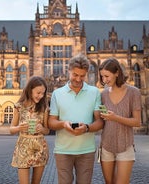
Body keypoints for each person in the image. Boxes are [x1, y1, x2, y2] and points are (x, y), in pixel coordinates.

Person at [48, 54, 104, 184]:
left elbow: (100, 121)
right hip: (63, 150)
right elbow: (51, 122)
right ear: (68, 71)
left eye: (82, 76)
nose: (78, 79)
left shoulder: (94, 92)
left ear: (87, 74)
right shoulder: (57, 93)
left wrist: (87, 128)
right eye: (75, 75)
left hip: (87, 150)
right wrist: (63, 124)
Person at [98, 58, 141, 184]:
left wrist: (115, 117)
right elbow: (102, 121)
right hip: (106, 146)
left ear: (117, 73)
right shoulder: (103, 94)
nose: (104, 80)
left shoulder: (134, 92)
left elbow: (137, 122)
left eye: (107, 76)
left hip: (126, 146)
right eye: (102, 77)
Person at [10, 76, 50, 184]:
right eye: (38, 92)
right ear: (30, 89)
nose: (41, 96)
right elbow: (11, 129)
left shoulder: (44, 107)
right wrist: (19, 128)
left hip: (40, 146)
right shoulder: (18, 106)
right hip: (23, 145)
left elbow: (47, 130)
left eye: (43, 93)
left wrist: (42, 129)